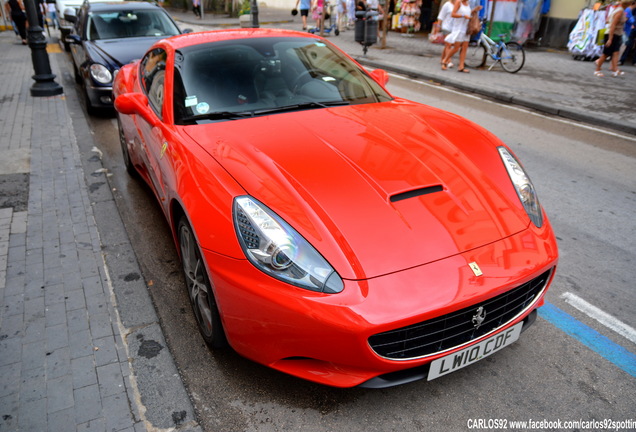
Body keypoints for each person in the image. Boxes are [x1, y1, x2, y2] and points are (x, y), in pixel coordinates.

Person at [441, 0, 480, 72]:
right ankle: (445, 60)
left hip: (466, 29)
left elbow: (467, 14)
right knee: (456, 47)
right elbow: (453, 14)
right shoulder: (459, 2)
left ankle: (461, 66)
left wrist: (474, 11)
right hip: (458, 29)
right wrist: (463, 16)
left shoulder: (467, 4)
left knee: (464, 48)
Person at [594, 0, 630, 77]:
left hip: (617, 34)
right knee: (606, 54)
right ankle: (597, 69)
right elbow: (613, 25)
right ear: (628, 4)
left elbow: (608, 20)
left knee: (615, 53)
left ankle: (615, 70)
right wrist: (610, 39)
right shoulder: (620, 11)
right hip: (612, 34)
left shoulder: (618, 9)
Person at [436, 0, 456, 68]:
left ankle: (442, 59)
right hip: (446, 27)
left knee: (447, 45)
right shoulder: (447, 5)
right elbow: (441, 16)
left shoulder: (459, 5)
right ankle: (448, 61)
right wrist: (438, 26)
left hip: (454, 28)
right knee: (449, 44)